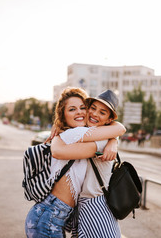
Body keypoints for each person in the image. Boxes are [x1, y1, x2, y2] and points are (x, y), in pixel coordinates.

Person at [24, 87, 125, 238]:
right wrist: (112, 139)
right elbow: (119, 128)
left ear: (109, 119)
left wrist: (113, 141)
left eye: (82, 108)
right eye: (72, 109)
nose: (80, 112)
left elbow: (119, 129)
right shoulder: (75, 134)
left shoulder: (82, 134)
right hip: (49, 217)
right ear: (63, 114)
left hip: (54, 216)